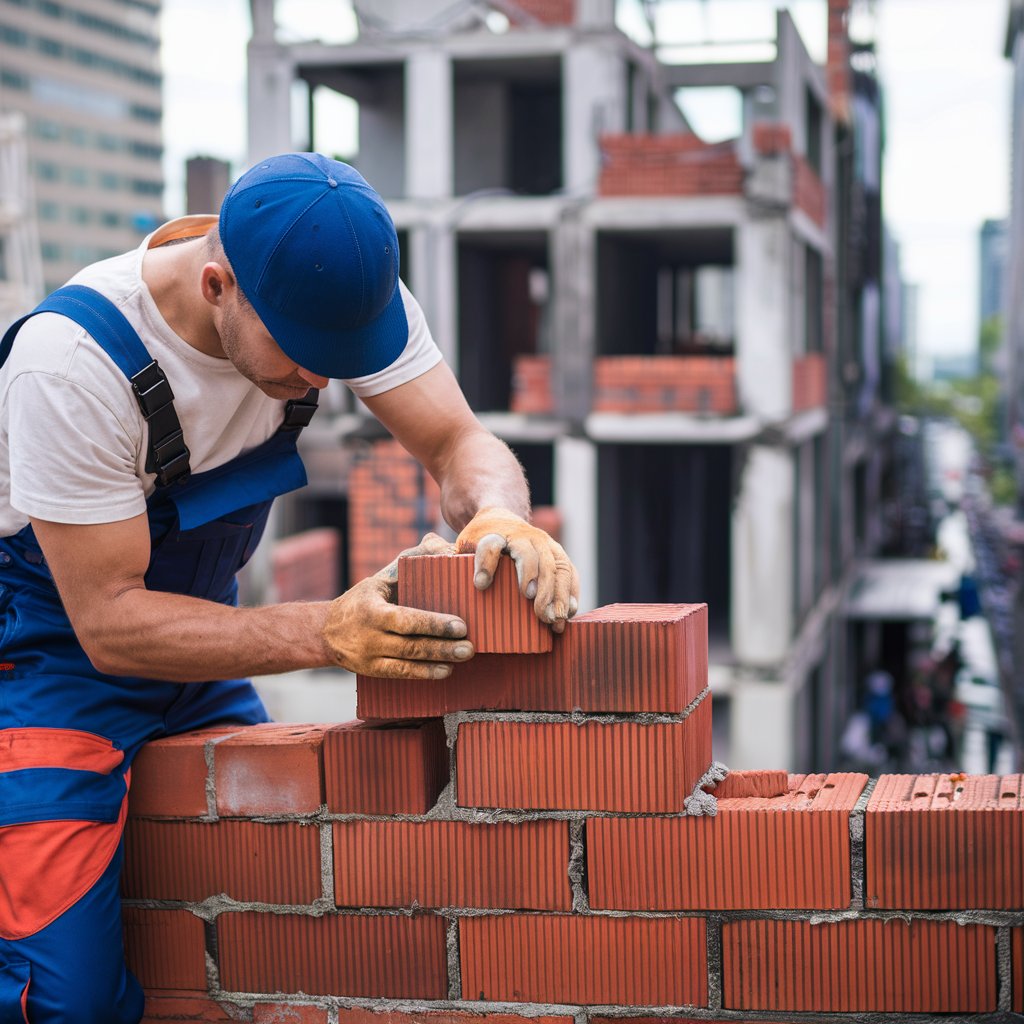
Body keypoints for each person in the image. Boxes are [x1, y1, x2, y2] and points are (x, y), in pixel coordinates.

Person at [0, 152, 578, 1023]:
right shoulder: (72, 362)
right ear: (217, 283)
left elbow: (456, 440)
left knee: (272, 903)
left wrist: (498, 516)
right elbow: (108, 623)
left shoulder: (340, 298)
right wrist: (325, 632)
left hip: (196, 650)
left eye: (339, 359)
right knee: (65, 1000)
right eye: (303, 357)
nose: (320, 378)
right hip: (48, 666)